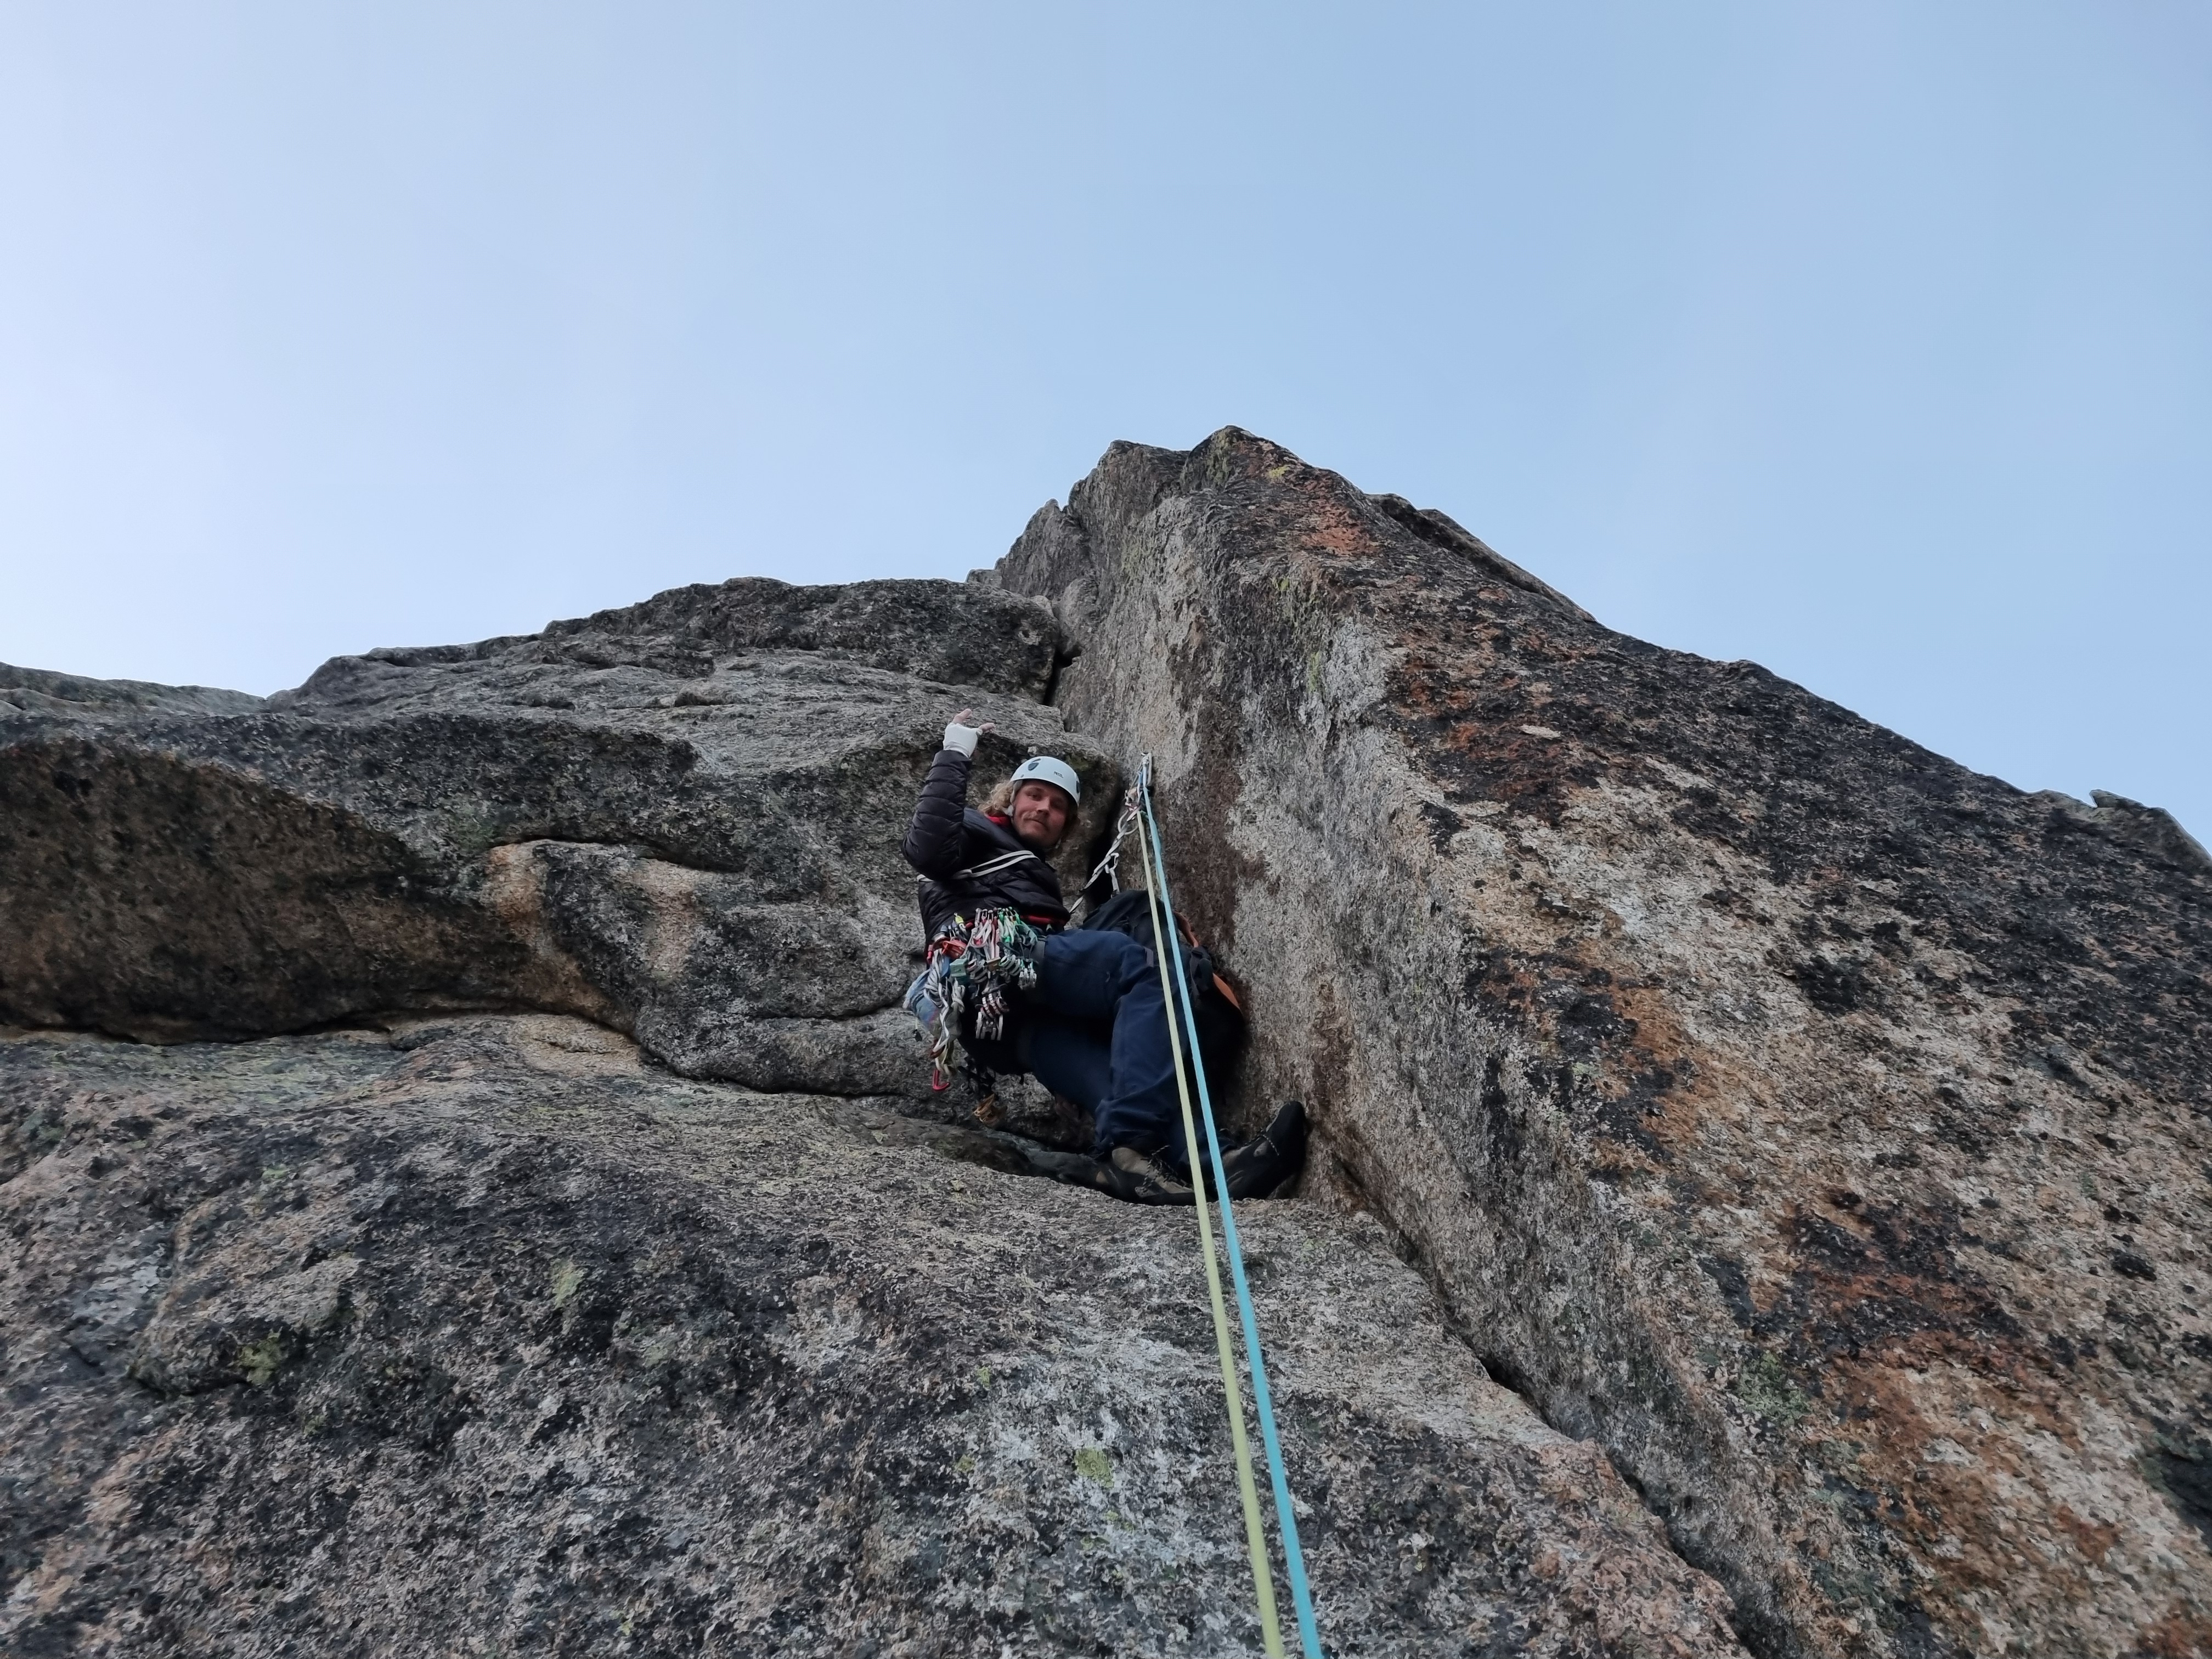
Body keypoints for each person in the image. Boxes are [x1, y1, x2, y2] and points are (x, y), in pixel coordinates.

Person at [902, 710, 1304, 1205]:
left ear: (1066, 827)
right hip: (993, 959)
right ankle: (1131, 1143)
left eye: (1057, 807)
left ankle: (1213, 1165)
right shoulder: (975, 831)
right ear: (1010, 799)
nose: (1044, 809)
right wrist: (955, 752)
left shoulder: (1031, 874)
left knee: (1127, 1071)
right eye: (1034, 795)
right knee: (1146, 967)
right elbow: (926, 849)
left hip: (1005, 1025)